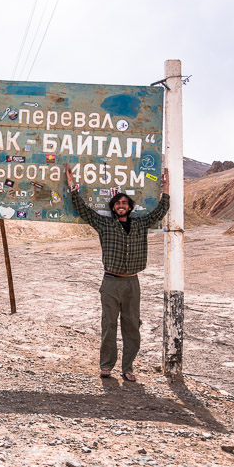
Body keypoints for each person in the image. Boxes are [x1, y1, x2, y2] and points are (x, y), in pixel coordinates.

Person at [65, 164, 170, 382]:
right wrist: (71, 185)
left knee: (132, 325)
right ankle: (106, 366)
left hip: (132, 283)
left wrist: (166, 188)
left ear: (130, 207)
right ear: (113, 208)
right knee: (109, 324)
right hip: (110, 282)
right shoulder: (104, 224)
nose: (121, 206)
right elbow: (83, 210)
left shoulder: (141, 224)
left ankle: (128, 368)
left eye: (125, 203)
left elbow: (161, 211)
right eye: (118, 203)